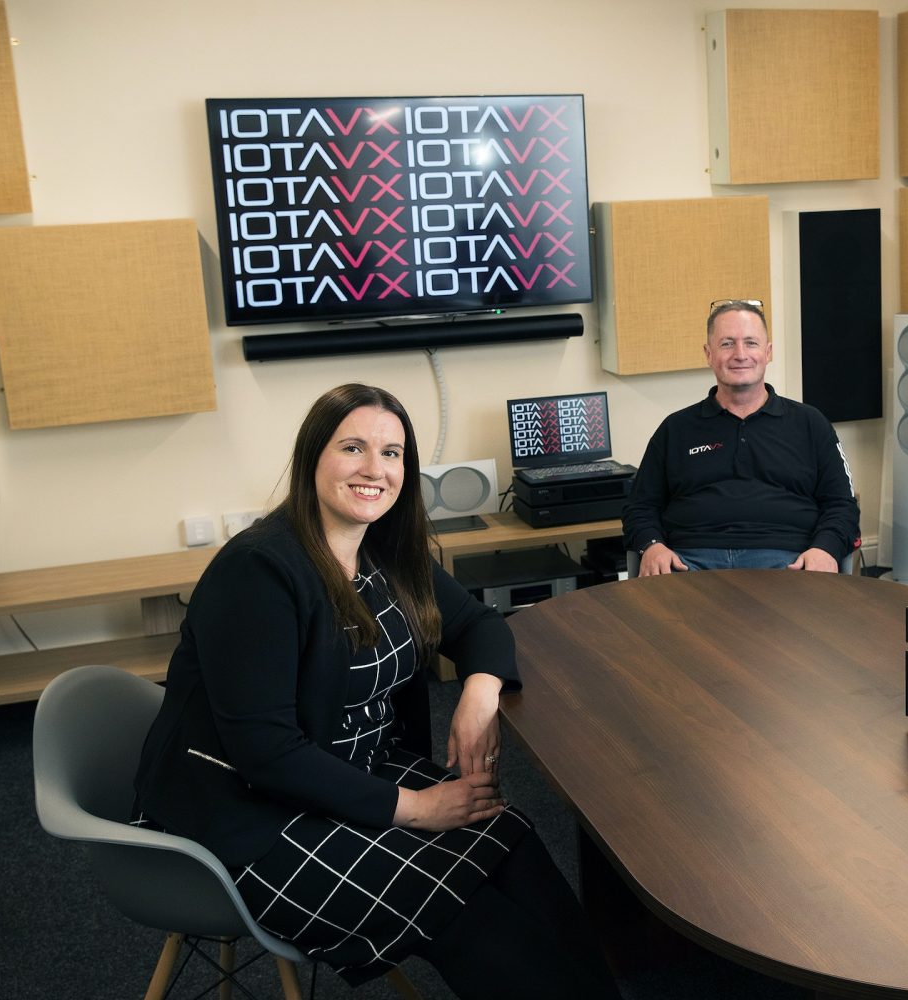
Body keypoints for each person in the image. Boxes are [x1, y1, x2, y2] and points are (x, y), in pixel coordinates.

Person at [132, 384, 618, 999]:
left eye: (392, 453)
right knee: (469, 917)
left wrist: (480, 692)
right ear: (314, 456)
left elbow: (478, 625)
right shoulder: (258, 571)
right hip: (246, 807)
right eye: (353, 448)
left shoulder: (385, 552)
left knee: (513, 842)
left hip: (349, 769)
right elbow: (265, 752)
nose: (374, 470)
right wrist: (415, 809)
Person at [622, 298, 859, 575]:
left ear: (768, 352)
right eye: (727, 343)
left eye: (751, 342)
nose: (740, 354)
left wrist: (825, 548)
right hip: (689, 564)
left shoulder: (811, 424)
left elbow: (842, 505)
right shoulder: (675, 429)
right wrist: (652, 546)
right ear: (708, 353)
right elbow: (640, 507)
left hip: (788, 564)